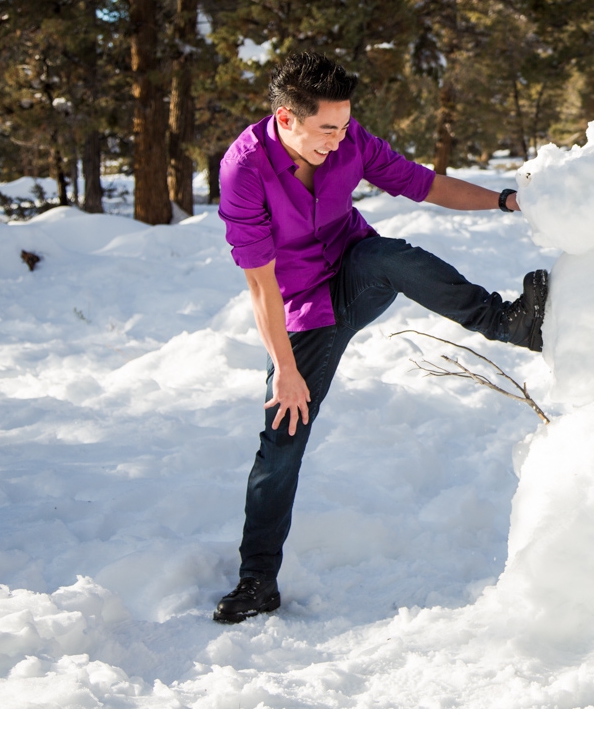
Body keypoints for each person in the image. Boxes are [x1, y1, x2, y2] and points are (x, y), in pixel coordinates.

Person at [212, 52, 546, 624]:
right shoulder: (244, 170)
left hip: (357, 275)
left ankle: (507, 322)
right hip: (301, 315)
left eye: (344, 126)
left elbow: (423, 184)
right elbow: (261, 285)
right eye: (326, 129)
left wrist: (505, 200)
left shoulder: (349, 140)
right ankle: (257, 581)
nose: (338, 139)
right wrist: (286, 369)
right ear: (287, 119)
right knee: (281, 438)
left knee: (386, 253)